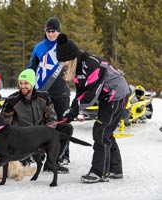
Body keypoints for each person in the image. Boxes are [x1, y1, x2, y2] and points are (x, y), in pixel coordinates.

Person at [56, 33, 131, 183]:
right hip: (108, 96)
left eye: (64, 61)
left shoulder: (91, 65)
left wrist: (76, 109)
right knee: (106, 132)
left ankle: (99, 172)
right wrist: (73, 108)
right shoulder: (78, 67)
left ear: (71, 58)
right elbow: (81, 92)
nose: (63, 64)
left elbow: (91, 93)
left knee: (101, 131)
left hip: (116, 94)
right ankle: (115, 169)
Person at [1, 69, 73, 174]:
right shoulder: (12, 100)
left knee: (66, 128)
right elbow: (4, 124)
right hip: (22, 139)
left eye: (26, 83)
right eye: (21, 83)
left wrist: (46, 131)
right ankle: (25, 159)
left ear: (32, 83)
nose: (23, 86)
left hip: (41, 136)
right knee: (22, 169)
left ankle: (51, 163)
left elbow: (51, 117)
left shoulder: (44, 97)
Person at [28, 17, 71, 165]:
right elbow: (32, 67)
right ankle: (41, 153)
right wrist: (27, 81)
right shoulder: (39, 47)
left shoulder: (65, 45)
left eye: (54, 31)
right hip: (43, 92)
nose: (51, 34)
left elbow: (74, 65)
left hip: (62, 92)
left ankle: (63, 155)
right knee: (43, 124)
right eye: (48, 31)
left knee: (62, 123)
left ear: (59, 31)